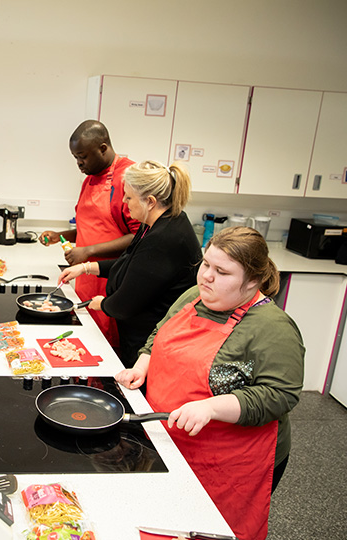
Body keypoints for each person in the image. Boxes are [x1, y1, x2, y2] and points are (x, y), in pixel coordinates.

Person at [116, 226, 305, 540]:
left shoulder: (274, 328)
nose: (206, 277)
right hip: (171, 439)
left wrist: (211, 407)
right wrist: (143, 364)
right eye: (206, 264)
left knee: (211, 529)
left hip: (232, 460)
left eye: (222, 271)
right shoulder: (195, 296)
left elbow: (280, 395)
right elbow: (159, 334)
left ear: (253, 281)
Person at [58, 160, 201, 367]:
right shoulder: (156, 223)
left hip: (151, 341)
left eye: (129, 197)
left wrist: (101, 304)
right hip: (141, 333)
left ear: (150, 201)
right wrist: (85, 268)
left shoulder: (164, 238)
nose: (124, 201)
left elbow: (124, 305)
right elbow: (130, 263)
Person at [40, 120, 141, 348]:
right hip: (85, 277)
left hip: (112, 279)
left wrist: (88, 251)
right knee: (85, 340)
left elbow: (140, 236)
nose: (79, 163)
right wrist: (61, 235)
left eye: (82, 156)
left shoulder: (128, 178)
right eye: (76, 157)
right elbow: (95, 226)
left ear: (103, 148)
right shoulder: (89, 179)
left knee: (106, 344)